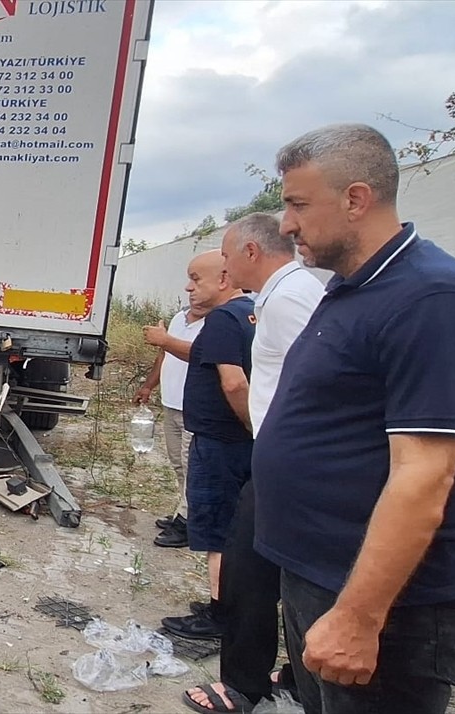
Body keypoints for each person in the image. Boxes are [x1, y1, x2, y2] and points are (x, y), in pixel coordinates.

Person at [255, 123, 455, 714]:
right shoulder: (355, 290)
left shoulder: (435, 300)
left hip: (389, 609)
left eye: (298, 204)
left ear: (356, 199)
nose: (286, 225)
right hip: (321, 577)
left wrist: (359, 617)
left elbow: (425, 476)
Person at [180, 212, 325, 713]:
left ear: (250, 252)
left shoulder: (287, 299)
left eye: (226, 255)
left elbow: (317, 381)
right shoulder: (282, 296)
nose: (223, 267)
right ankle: (297, 674)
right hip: (287, 455)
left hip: (289, 459)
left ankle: (244, 684)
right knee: (285, 572)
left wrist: (270, 439)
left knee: (249, 570)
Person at [160, 249, 255, 642]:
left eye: (196, 279)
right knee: (235, 528)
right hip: (235, 443)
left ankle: (220, 616)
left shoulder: (223, 320)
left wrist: (252, 426)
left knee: (218, 532)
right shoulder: (251, 314)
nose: (189, 287)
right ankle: (227, 602)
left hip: (220, 442)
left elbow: (234, 383)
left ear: (224, 279)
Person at [139, 303, 209, 548]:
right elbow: (164, 354)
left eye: (198, 284)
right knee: (178, 463)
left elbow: (200, 355)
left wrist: (166, 340)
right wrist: (149, 385)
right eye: (191, 286)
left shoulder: (217, 322)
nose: (192, 289)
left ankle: (189, 523)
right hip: (171, 403)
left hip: (194, 408)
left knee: (193, 468)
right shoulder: (180, 317)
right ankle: (184, 510)